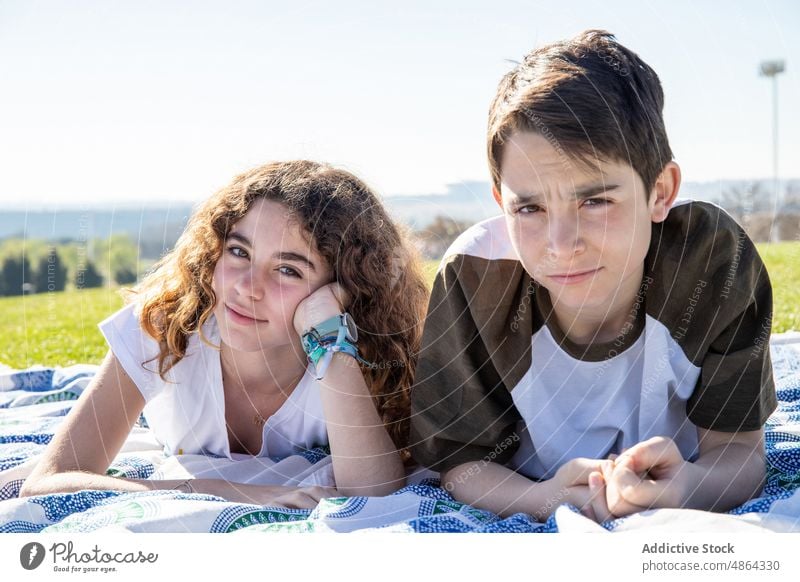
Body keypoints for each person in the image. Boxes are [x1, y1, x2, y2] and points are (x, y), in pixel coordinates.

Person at [409, 30, 777, 523]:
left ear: (660, 191)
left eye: (595, 200)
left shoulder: (712, 258)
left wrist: (686, 486)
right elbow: (462, 465)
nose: (561, 244)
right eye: (530, 208)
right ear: (501, 204)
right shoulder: (474, 276)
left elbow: (738, 453)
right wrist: (545, 499)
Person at [21, 160, 428, 508]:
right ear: (213, 250)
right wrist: (231, 491)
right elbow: (48, 481)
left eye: (289, 269)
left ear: (344, 287)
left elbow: (372, 493)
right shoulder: (163, 326)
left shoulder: (362, 353)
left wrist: (327, 334)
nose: (247, 287)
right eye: (239, 252)